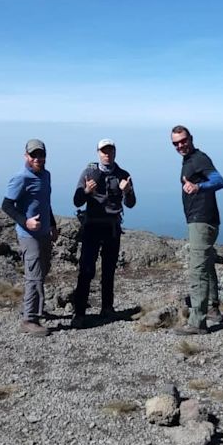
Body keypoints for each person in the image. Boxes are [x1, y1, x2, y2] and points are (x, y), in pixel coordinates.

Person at [72, 138, 136, 328]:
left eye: (110, 151)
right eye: (103, 151)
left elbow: (131, 204)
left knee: (109, 271)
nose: (107, 154)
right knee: (87, 270)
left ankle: (107, 308)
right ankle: (80, 313)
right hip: (92, 227)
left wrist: (128, 191)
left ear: (115, 152)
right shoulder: (89, 172)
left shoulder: (123, 174)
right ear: (98, 152)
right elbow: (77, 201)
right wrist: (86, 191)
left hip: (112, 228)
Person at [170, 125, 223, 335]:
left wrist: (198, 187)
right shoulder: (189, 161)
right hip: (202, 219)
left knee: (197, 270)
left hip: (202, 221)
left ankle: (197, 322)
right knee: (207, 264)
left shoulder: (199, 158)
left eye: (183, 141)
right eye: (175, 143)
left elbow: (219, 180)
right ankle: (212, 309)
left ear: (191, 138)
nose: (180, 146)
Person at [1, 139, 58, 336]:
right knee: (34, 276)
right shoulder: (21, 178)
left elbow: (45, 202)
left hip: (43, 233)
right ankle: (29, 319)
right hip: (28, 235)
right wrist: (26, 222)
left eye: (41, 155)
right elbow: (7, 205)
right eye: (33, 155)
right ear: (26, 156)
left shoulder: (46, 175)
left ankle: (32, 308)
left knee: (42, 272)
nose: (37, 159)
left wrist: (52, 225)